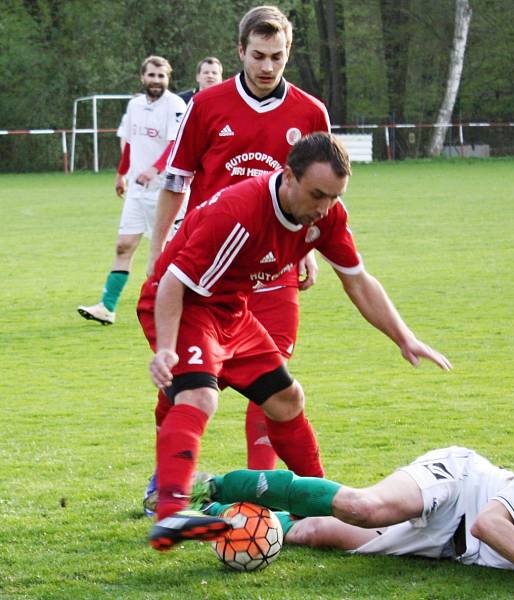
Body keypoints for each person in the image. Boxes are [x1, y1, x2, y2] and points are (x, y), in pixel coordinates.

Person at [140, 133, 452, 551]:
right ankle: (172, 512)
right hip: (183, 303)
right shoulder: (240, 211)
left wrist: (404, 337)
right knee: (200, 398)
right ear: (288, 176)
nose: (324, 207)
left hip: (232, 311)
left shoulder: (327, 215)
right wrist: (166, 349)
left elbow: (357, 281)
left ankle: (319, 507)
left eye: (335, 197)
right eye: (317, 194)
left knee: (287, 400)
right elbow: (172, 282)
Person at [170, 428, 514, 592]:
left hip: (446, 547)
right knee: (366, 506)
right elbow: (490, 522)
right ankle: (217, 483)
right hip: (461, 488)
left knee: (314, 533)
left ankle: (216, 524)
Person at [145, 6, 332, 481]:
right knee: (183, 384)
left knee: (274, 384)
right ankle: (162, 479)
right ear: (240, 52)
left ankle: (261, 491)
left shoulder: (311, 113)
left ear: (289, 53)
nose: (268, 67)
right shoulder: (207, 105)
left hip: (275, 271)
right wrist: (158, 253)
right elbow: (176, 182)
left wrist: (308, 251)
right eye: (259, 56)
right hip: (209, 271)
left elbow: (321, 187)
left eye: (278, 57)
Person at [78, 56, 186, 325]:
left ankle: (178, 307)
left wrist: (155, 169)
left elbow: (177, 146)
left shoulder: (175, 105)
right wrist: (121, 174)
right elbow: (129, 144)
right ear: (143, 77)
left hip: (166, 192)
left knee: (170, 253)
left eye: (162, 76)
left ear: (168, 79)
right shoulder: (135, 105)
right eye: (152, 75)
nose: (156, 81)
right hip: (138, 192)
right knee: (124, 245)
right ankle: (107, 307)